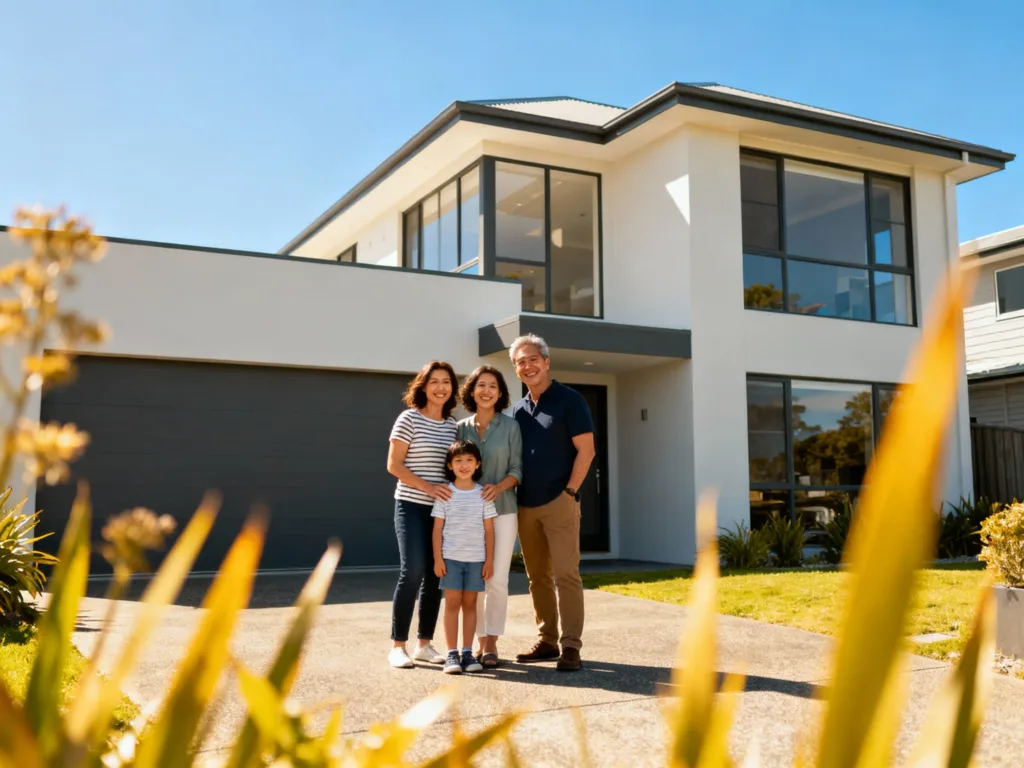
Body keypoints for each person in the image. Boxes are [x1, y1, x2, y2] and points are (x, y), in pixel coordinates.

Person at [510, 334, 596, 672]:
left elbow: (586, 450)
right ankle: (547, 640)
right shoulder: (517, 410)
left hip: (560, 501)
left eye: (533, 359)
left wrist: (571, 491)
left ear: (546, 362)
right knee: (537, 578)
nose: (527, 366)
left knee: (566, 575)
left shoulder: (569, 400)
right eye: (520, 362)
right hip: (525, 506)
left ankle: (571, 646)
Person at [385, 360, 459, 669]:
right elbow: (394, 465)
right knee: (412, 571)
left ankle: (424, 644)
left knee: (435, 575)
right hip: (411, 506)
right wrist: (428, 488)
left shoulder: (453, 426)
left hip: (441, 512)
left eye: (446, 382)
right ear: (423, 386)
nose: (441, 387)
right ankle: (397, 646)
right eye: (434, 381)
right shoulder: (409, 419)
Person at [456, 365, 522, 668]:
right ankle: (475, 643)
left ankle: (492, 641)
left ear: (500, 393)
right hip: (467, 514)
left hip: (503, 509)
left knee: (497, 578)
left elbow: (517, 469)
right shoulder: (461, 427)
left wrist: (499, 487)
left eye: (493, 386)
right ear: (472, 390)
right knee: (474, 579)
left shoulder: (510, 427)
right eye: (481, 385)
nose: (486, 391)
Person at [431, 440, 497, 675]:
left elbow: (489, 530)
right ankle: (452, 654)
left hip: (476, 560)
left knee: (470, 605)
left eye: (469, 460)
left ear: (478, 463)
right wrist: (438, 559)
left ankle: (468, 652)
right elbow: (437, 529)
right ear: (450, 465)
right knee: (451, 604)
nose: (464, 464)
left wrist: (489, 560)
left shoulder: (484, 494)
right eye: (458, 460)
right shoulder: (445, 494)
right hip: (450, 559)